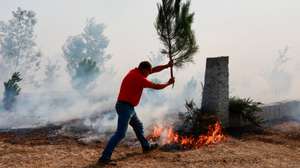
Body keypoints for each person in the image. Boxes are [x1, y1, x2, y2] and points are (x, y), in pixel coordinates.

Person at [97, 60, 175, 165]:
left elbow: (153, 70)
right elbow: (156, 86)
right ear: (143, 70)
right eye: (148, 72)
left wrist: (166, 66)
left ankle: (146, 147)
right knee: (120, 134)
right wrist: (168, 83)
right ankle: (104, 158)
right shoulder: (139, 78)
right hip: (125, 108)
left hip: (128, 108)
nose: (149, 74)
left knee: (138, 126)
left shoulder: (135, 72)